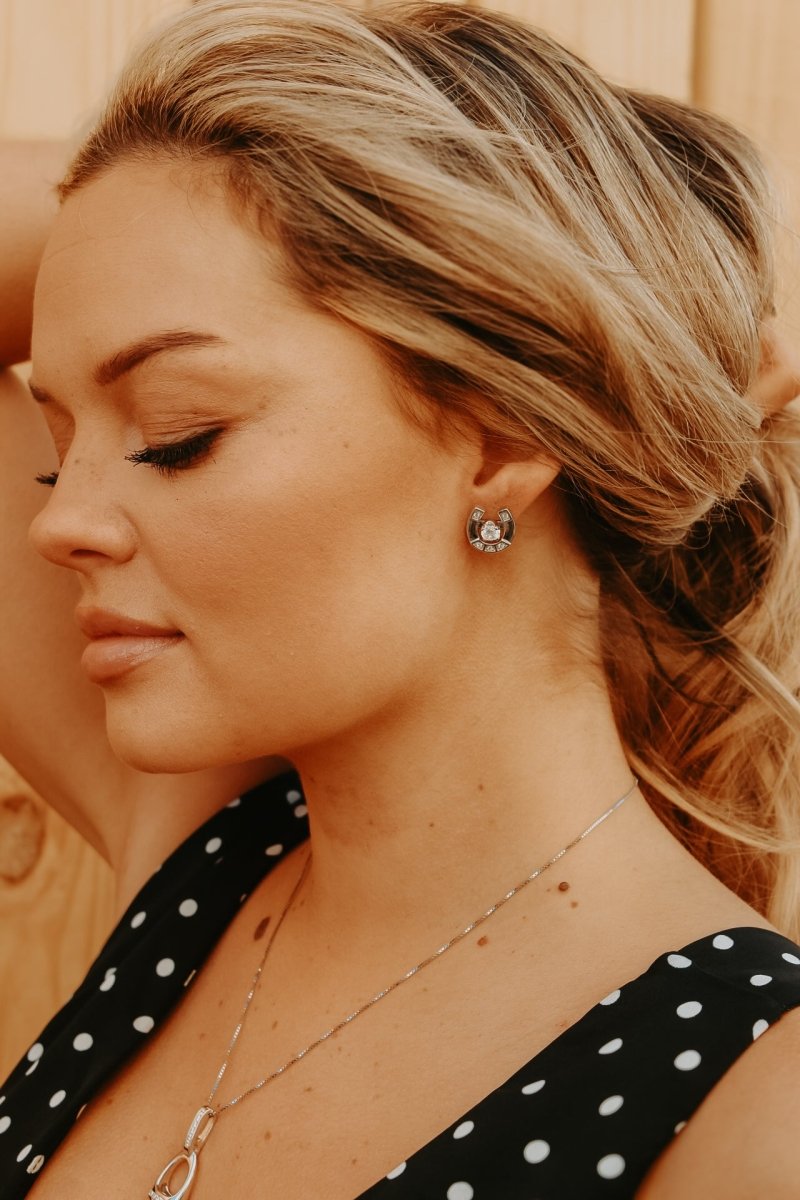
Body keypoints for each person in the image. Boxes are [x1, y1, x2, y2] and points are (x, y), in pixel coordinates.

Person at [1, 1, 799, 1196]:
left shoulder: (757, 1109)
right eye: (58, 455)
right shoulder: (206, 869)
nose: (59, 524)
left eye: (176, 434)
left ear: (504, 439)